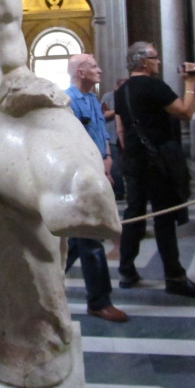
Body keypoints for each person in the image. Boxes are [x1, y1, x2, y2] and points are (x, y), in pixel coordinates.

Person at [115, 41, 195, 297]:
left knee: (133, 215)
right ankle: (175, 277)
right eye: (155, 58)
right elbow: (184, 112)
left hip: (134, 160)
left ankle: (126, 270)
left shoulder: (121, 91)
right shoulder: (154, 86)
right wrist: (190, 83)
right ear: (143, 61)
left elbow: (122, 128)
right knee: (164, 218)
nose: (159, 61)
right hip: (156, 162)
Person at [65, 54, 128, 322]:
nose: (100, 70)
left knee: (79, 240)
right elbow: (71, 142)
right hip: (82, 178)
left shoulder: (92, 99)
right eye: (93, 66)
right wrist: (96, 167)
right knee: (91, 238)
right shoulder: (66, 102)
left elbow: (100, 133)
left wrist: (107, 158)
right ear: (80, 72)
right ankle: (99, 301)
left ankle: (43, 281)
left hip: (98, 172)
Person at [101, 78, 127, 200]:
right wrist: (117, 110)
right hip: (112, 134)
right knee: (115, 166)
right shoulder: (108, 97)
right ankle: (118, 191)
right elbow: (103, 114)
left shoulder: (129, 95)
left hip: (127, 135)